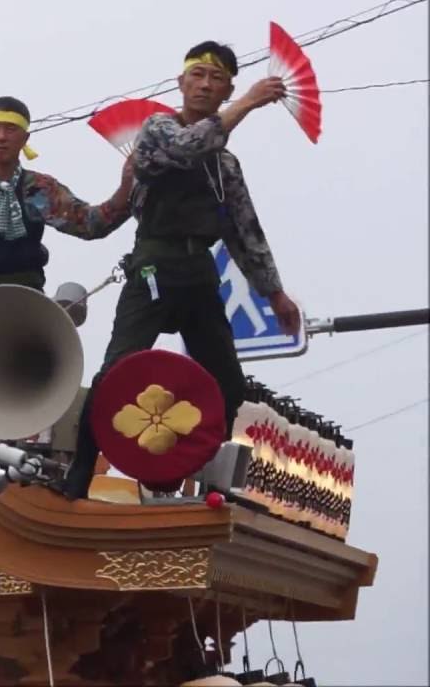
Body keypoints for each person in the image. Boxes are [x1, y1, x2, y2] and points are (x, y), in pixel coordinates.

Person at [58, 41, 302, 500]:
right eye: (198, 76)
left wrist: (275, 294)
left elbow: (244, 231)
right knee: (115, 372)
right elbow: (190, 147)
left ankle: (198, 474)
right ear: (181, 82)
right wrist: (248, 102)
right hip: (154, 265)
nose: (205, 85)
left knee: (228, 385)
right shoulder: (157, 129)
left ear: (225, 88)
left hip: (197, 270)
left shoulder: (226, 165)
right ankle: (81, 471)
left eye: (216, 80)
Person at [0, 96, 136, 415]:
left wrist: (126, 187)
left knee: (26, 392)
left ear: (25, 139)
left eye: (10, 129)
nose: (1, 137)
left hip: (28, 305)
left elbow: (90, 223)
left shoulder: (40, 189)